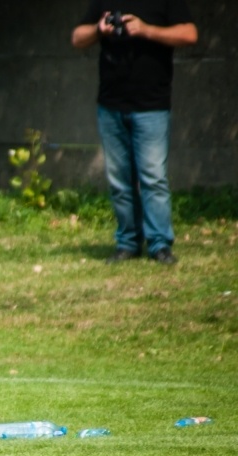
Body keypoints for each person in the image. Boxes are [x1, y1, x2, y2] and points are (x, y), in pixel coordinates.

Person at [71, 1, 197, 265]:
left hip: (152, 105)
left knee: (153, 178)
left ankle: (160, 245)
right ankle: (127, 243)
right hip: (110, 105)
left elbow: (189, 34)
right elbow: (77, 38)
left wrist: (146, 29)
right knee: (119, 181)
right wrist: (99, 29)